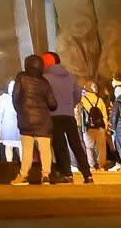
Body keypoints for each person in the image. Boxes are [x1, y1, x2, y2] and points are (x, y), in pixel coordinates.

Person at [42, 52, 92, 183]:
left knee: (60, 145)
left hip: (53, 115)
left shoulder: (45, 78)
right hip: (69, 115)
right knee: (76, 145)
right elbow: (78, 96)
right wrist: (70, 105)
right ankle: (87, 174)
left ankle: (67, 174)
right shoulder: (70, 76)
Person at [9, 55, 58, 185]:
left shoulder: (21, 77)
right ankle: (46, 175)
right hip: (43, 120)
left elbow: (15, 97)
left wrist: (20, 111)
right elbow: (53, 104)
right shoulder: (44, 82)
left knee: (27, 149)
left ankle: (23, 175)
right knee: (45, 149)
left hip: (26, 119)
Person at [78, 82, 109, 171]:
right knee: (101, 147)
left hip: (88, 127)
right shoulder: (100, 100)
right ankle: (101, 165)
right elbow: (104, 115)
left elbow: (79, 113)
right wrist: (105, 127)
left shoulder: (82, 100)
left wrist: (80, 125)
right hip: (100, 127)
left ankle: (91, 165)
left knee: (89, 147)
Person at [0, 83, 18, 162]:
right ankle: (23, 164)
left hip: (7, 127)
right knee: (20, 146)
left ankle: (9, 164)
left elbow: (0, 112)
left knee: (8, 147)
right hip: (18, 127)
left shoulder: (3, 99)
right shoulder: (20, 98)